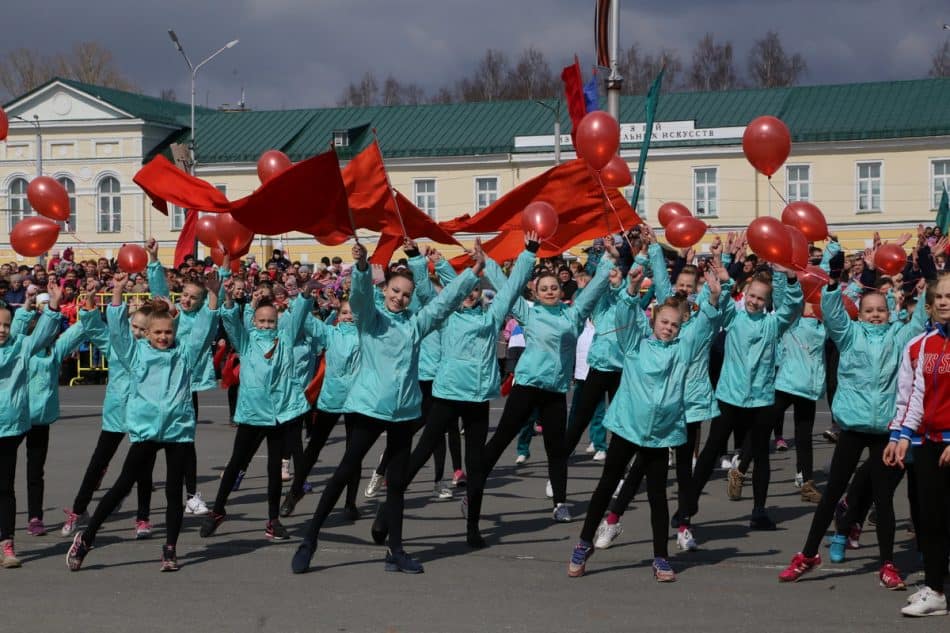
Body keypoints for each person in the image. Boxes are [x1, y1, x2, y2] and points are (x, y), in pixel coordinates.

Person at [291, 241, 482, 575]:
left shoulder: (414, 323)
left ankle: (396, 551)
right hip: (368, 408)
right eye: (395, 291)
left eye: (406, 294)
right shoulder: (372, 319)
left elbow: (444, 306)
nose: (400, 298)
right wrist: (363, 268)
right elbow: (362, 298)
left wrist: (470, 277)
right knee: (343, 472)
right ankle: (309, 540)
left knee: (396, 486)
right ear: (387, 289)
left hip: (404, 414)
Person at [372, 235, 537, 549]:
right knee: (420, 454)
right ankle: (386, 511)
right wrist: (417, 258)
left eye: (476, 290)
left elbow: (513, 286)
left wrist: (529, 253)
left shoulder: (492, 316)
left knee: (475, 466)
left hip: (477, 400)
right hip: (447, 394)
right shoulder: (447, 316)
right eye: (467, 290)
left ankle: (472, 527)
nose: (471, 294)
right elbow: (424, 290)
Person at [567, 265, 722, 581]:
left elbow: (704, 325)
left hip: (661, 432)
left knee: (657, 496)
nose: (669, 328)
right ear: (653, 321)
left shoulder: (683, 348)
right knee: (607, 485)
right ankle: (583, 544)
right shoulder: (635, 345)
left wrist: (713, 299)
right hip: (627, 427)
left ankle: (661, 558)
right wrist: (631, 290)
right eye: (664, 322)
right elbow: (624, 317)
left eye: (675, 325)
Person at [778, 272, 927, 587]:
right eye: (869, 310)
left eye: (880, 310)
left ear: (889, 312)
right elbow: (832, 315)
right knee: (832, 493)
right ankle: (807, 555)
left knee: (883, 498)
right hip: (854, 427)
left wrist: (926, 294)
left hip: (885, 430)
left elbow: (917, 324)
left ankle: (888, 564)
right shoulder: (849, 335)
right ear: (859, 312)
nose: (875, 315)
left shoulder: (898, 337)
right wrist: (833, 289)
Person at [67, 271, 220, 572]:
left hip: (177, 430)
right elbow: (118, 333)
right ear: (148, 333)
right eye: (158, 333)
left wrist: (213, 296)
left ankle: (171, 548)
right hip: (146, 431)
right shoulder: (135, 354)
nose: (164, 337)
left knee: (173, 492)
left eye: (168, 333)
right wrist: (117, 293)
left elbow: (204, 331)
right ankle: (87, 538)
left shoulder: (185, 354)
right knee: (122, 485)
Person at [474, 238, 617, 528]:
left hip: (554, 391)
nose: (550, 291)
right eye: (544, 288)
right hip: (526, 386)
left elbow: (594, 290)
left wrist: (608, 261)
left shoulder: (573, 314)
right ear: (535, 292)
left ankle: (560, 502)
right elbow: (508, 287)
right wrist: (488, 260)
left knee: (557, 448)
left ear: (561, 290)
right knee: (501, 439)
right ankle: (474, 489)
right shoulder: (527, 312)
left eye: (554, 287)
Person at [674, 265, 803, 535]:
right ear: (744, 295)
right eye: (752, 296)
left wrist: (790, 279)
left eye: (761, 298)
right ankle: (687, 506)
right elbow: (717, 307)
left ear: (767, 302)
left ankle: (759, 511)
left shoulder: (773, 323)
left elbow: (792, 307)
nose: (755, 302)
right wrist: (722, 286)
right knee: (710, 452)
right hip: (730, 397)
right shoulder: (734, 316)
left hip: (761, 400)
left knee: (760, 455)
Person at [199, 280, 314, 541]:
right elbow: (231, 323)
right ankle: (217, 511)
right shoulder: (246, 341)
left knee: (275, 469)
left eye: (270, 321)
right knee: (236, 464)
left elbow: (299, 315)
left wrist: (305, 295)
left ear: (277, 322)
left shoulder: (285, 338)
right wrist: (227, 299)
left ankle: (273, 520)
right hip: (253, 413)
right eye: (261, 321)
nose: (266, 325)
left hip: (279, 415)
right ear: (254, 322)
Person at [62, 281, 158, 539]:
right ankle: (78, 510)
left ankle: (143, 517)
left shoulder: (151, 350)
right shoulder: (116, 343)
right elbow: (94, 327)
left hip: (142, 414)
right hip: (115, 413)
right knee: (98, 463)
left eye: (142, 329)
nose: (137, 332)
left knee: (143, 468)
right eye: (134, 326)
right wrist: (94, 301)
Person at [889, 272, 950, 616]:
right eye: (938, 297)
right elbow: (914, 397)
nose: (943, 301)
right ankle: (936, 588)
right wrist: (900, 437)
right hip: (928, 443)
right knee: (928, 518)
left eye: (949, 296)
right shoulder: (920, 345)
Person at [13, 288, 92, 537]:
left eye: (50, 332)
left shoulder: (54, 352)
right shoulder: (20, 350)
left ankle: (35, 516)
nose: (48, 335)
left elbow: (76, 333)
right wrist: (27, 307)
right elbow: (14, 330)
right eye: (42, 331)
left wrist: (89, 310)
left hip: (41, 421)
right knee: (5, 471)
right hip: (16, 418)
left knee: (36, 472)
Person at [146, 239, 215, 514]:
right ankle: (143, 494)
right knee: (150, 441)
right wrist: (153, 259)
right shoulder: (171, 313)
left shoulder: (200, 320)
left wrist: (213, 293)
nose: (186, 300)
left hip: (187, 389)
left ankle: (191, 496)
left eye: (193, 298)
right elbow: (160, 292)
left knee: (186, 443)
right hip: (159, 386)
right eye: (185, 294)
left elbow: (210, 316)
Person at [279, 298, 361, 519]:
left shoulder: (367, 335)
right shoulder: (330, 333)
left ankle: (350, 503)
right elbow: (307, 321)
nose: (349, 316)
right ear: (337, 315)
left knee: (354, 453)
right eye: (344, 312)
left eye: (352, 313)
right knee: (313, 449)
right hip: (331, 399)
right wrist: (298, 303)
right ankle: (294, 493)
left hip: (358, 402)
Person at [0, 282, 63, 568]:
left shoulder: (21, 348)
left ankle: (7, 544)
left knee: (5, 488)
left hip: (9, 430)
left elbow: (43, 334)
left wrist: (51, 308)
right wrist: (25, 307)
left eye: (5, 325)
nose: (1, 329)